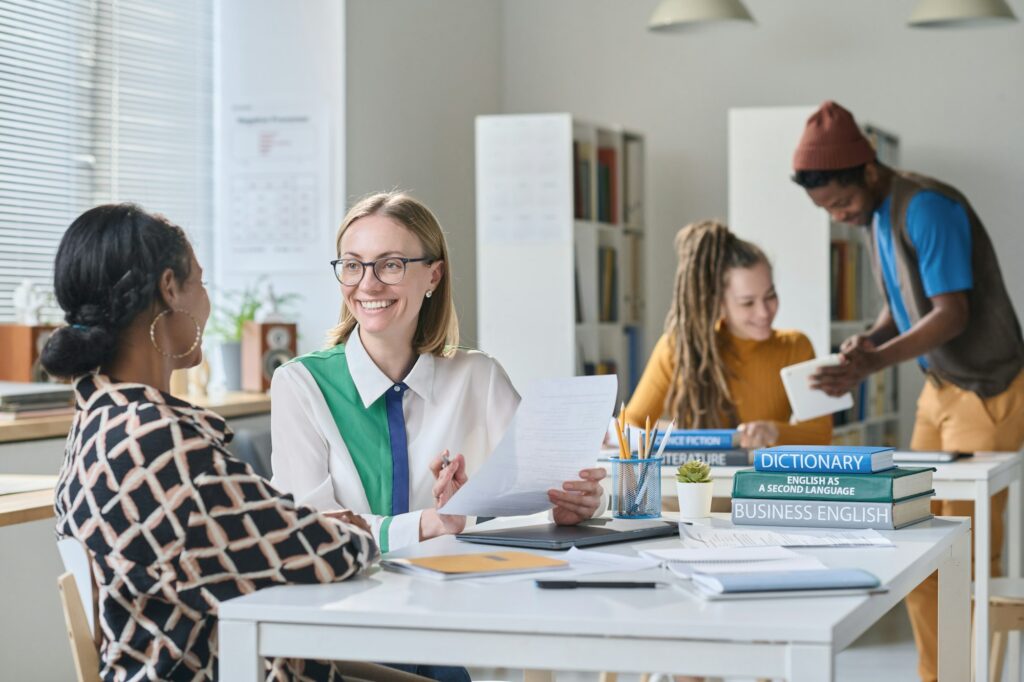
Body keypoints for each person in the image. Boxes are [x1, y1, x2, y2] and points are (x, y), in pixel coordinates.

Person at [46, 204, 379, 682]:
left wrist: (301, 528)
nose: (208, 303)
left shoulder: (99, 423)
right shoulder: (158, 443)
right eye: (199, 284)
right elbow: (333, 555)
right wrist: (352, 534)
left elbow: (214, 541)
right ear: (168, 289)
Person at [791, 100, 1024, 682]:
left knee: (965, 558)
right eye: (827, 209)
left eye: (841, 202)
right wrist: (865, 341)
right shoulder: (876, 216)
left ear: (870, 172)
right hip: (940, 388)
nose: (840, 217)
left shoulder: (926, 207)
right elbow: (903, 303)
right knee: (917, 543)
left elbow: (952, 314)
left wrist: (871, 364)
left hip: (988, 390)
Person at [269, 191, 606, 544]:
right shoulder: (300, 383)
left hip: (459, 590)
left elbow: (543, 487)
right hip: (348, 592)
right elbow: (309, 529)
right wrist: (430, 524)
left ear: (433, 276)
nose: (368, 284)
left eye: (391, 264)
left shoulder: (479, 376)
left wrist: (572, 506)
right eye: (353, 265)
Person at [625, 220, 832, 447]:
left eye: (770, 296)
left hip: (762, 480)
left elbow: (821, 434)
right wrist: (675, 435)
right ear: (720, 303)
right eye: (747, 303)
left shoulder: (797, 347)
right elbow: (629, 425)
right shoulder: (678, 349)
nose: (764, 312)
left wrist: (773, 432)